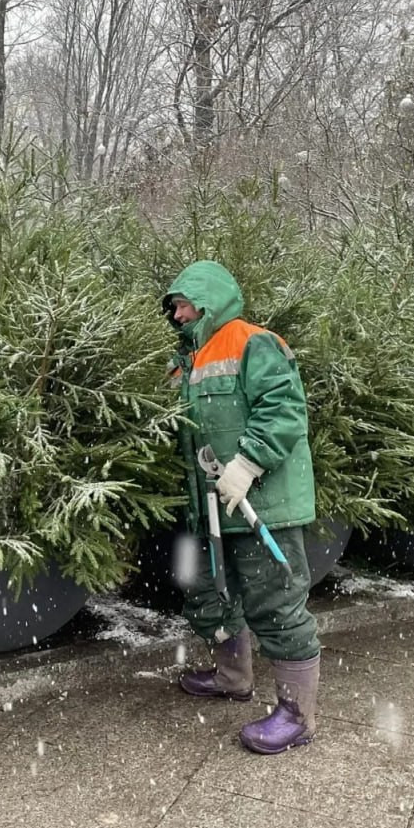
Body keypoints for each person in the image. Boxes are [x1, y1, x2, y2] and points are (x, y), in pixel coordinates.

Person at [162, 260, 321, 755]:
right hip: (210, 507)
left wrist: (248, 464)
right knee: (212, 592)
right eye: (174, 308)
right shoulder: (186, 360)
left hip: (263, 504)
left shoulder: (254, 343)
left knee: (275, 602)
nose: (177, 315)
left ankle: (297, 715)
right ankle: (233, 677)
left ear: (207, 300)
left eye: (183, 304)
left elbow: (284, 409)